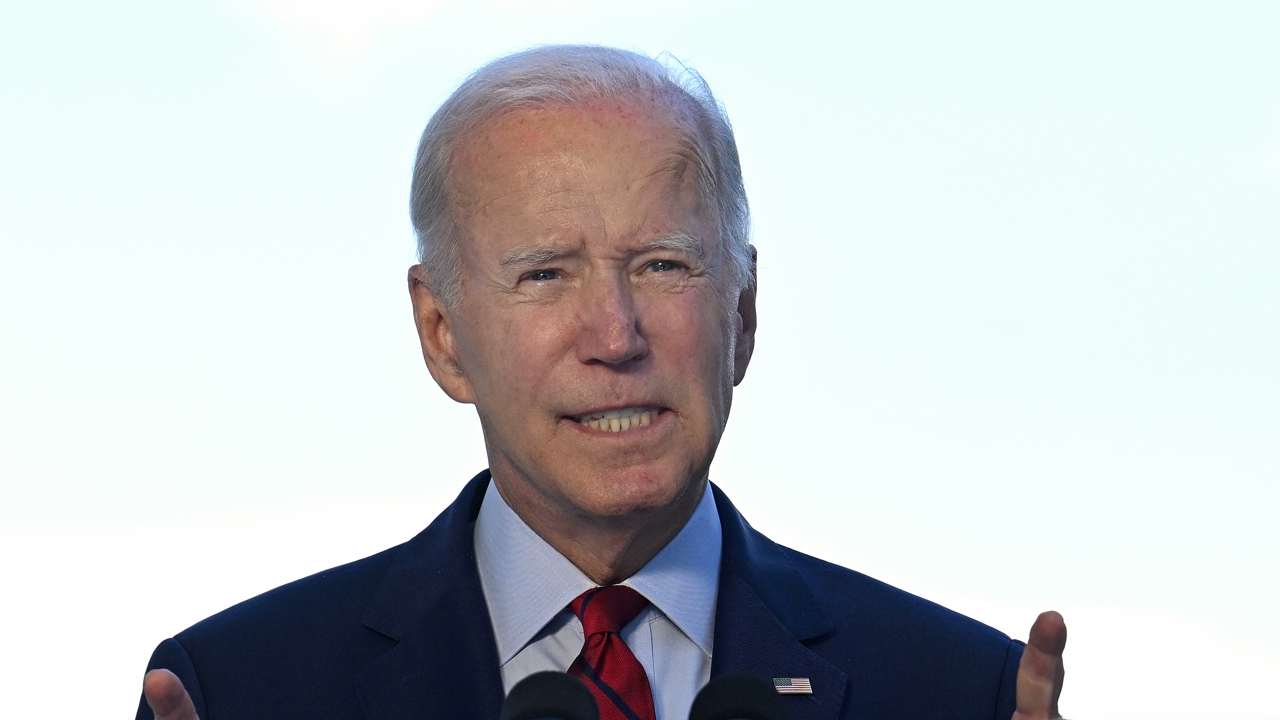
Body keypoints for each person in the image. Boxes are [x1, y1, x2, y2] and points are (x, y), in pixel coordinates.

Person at [137, 45, 1067, 720]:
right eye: (546, 274)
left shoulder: (955, 692)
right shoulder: (241, 691)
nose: (616, 336)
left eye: (663, 265)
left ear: (742, 315)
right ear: (442, 333)